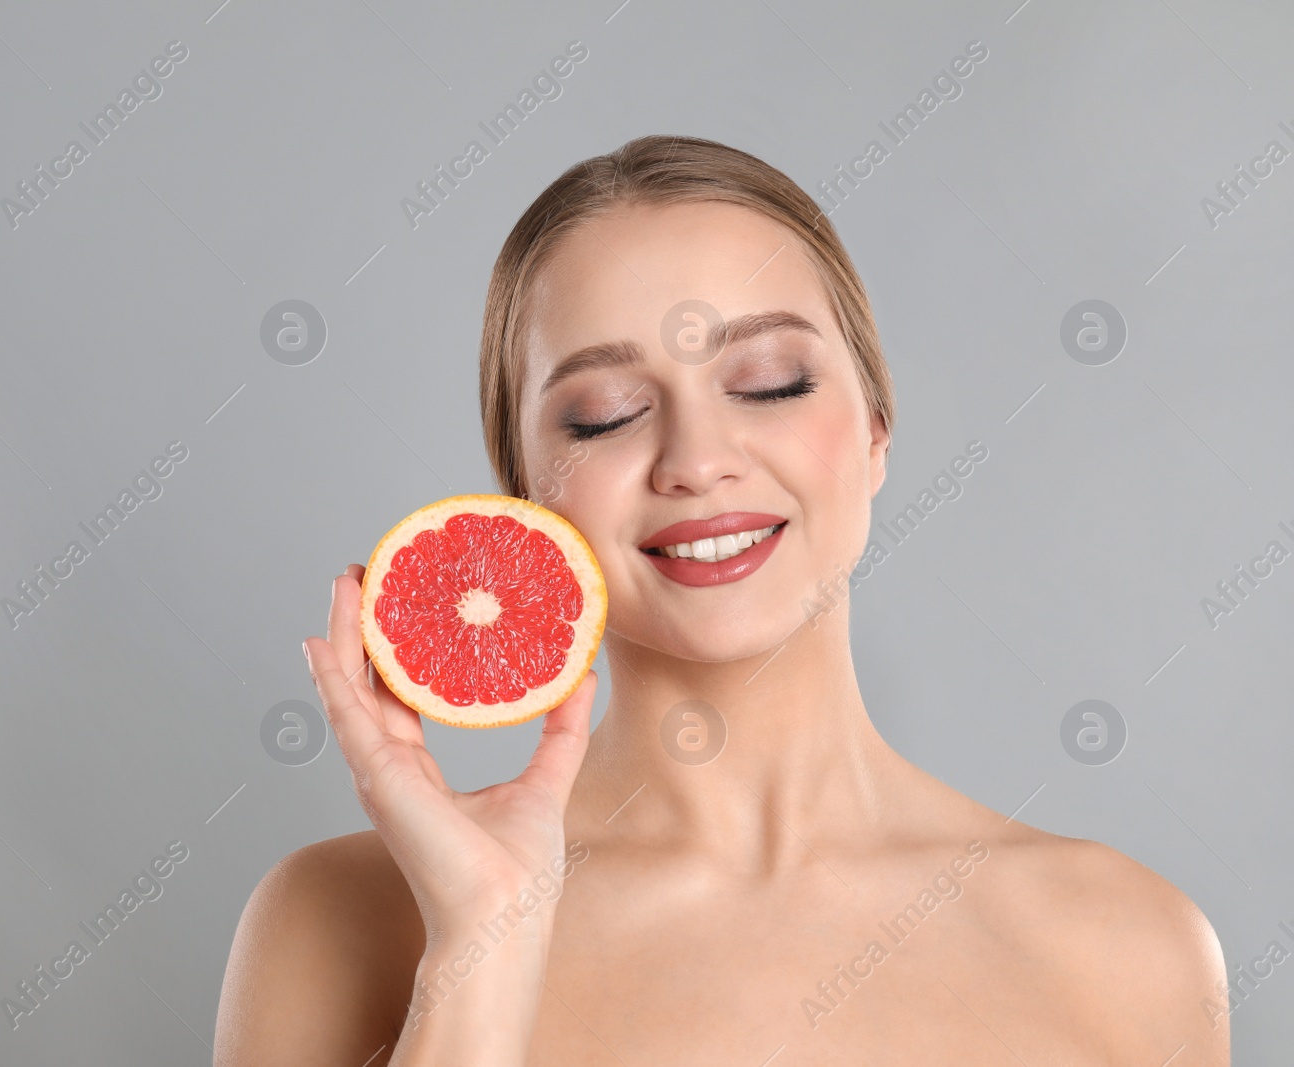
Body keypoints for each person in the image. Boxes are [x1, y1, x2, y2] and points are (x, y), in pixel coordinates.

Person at [214, 135, 1228, 1065]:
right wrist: (485, 943)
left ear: (875, 431)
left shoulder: (1130, 943)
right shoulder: (337, 919)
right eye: (607, 415)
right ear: (525, 502)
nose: (696, 461)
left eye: (771, 381)